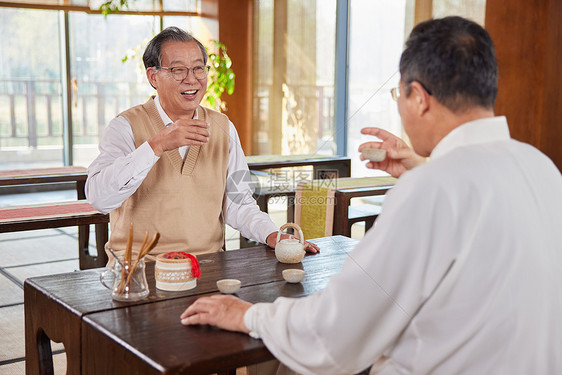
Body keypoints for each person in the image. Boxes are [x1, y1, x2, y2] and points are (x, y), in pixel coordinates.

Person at [179, 16, 562, 374]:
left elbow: (338, 330)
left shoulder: (430, 190)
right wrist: (422, 169)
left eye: (399, 93)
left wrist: (246, 315)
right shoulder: (541, 168)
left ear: (419, 97)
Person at [86, 26, 319, 262]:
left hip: (208, 266)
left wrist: (273, 235)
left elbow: (239, 203)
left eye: (199, 68)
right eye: (178, 70)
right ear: (153, 76)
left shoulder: (222, 127)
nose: (191, 79)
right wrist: (156, 145)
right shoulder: (125, 126)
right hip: (138, 273)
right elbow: (100, 198)